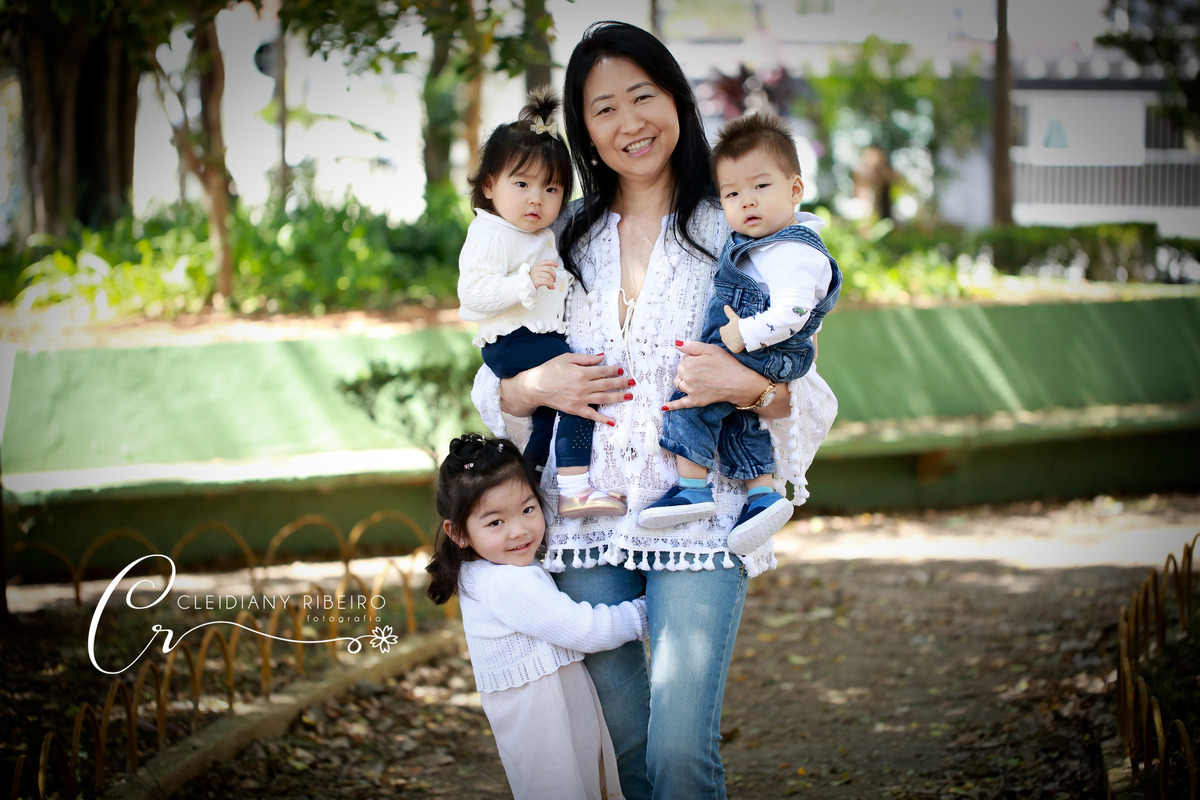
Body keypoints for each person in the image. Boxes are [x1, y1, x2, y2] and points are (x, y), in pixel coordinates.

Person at [470, 20, 838, 799]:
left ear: (676, 100)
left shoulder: (735, 223)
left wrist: (746, 386)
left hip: (702, 513)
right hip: (585, 514)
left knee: (677, 752)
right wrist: (540, 388)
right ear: (584, 130)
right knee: (627, 745)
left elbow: (800, 389)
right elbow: (496, 381)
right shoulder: (560, 236)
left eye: (643, 96)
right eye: (604, 108)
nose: (629, 122)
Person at [640, 112, 842, 557]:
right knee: (737, 418)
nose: (746, 201)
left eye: (760, 186)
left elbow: (793, 312)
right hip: (758, 347)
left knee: (693, 399)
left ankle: (692, 489)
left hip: (765, 347)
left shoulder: (795, 251)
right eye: (732, 193)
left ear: (795, 189)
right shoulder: (765, 244)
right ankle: (763, 494)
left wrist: (743, 335)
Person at [426, 432, 649, 800]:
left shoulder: (485, 572)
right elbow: (585, 629)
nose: (519, 531)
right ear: (459, 533)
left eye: (528, 510)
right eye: (495, 523)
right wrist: (646, 612)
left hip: (544, 710)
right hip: (546, 719)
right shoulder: (506, 582)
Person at [457, 88, 627, 520]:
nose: (536, 198)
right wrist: (524, 282)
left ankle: (528, 482)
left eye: (551, 188)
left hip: (529, 336)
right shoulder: (491, 233)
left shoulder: (536, 235)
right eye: (522, 184)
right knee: (580, 386)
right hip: (513, 340)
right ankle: (575, 488)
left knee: (550, 415)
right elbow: (472, 296)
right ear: (489, 185)